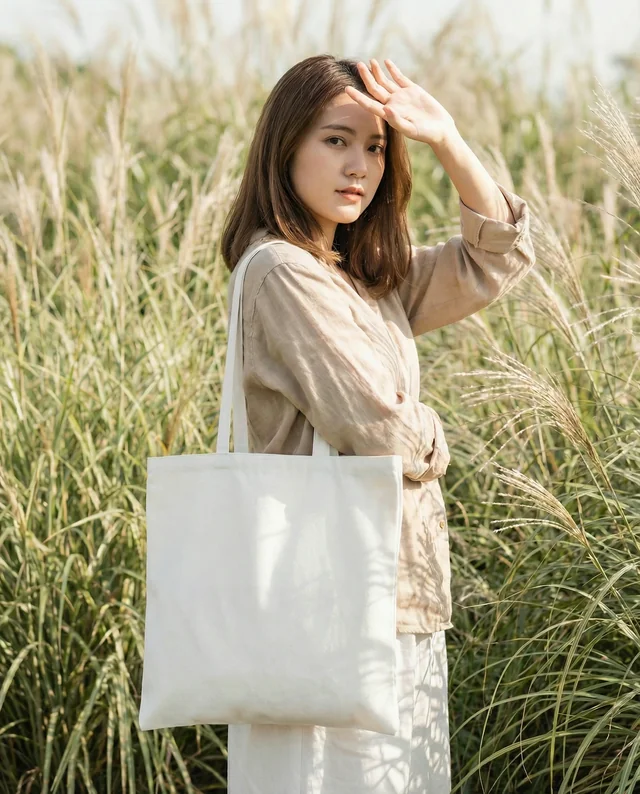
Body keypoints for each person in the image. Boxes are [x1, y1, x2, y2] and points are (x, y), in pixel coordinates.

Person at [220, 53, 536, 794]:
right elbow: (381, 430)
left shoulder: (360, 280)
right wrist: (434, 435)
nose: (358, 165)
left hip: (392, 589)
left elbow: (493, 260)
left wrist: (449, 141)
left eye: (375, 147)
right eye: (336, 140)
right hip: (328, 604)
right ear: (285, 146)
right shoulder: (281, 271)